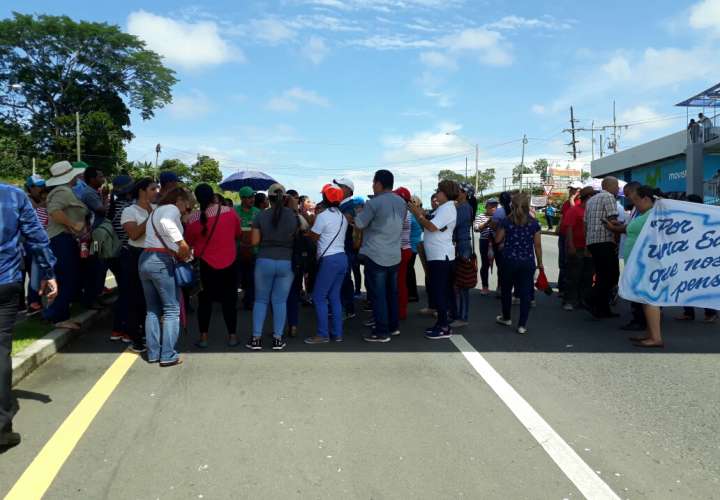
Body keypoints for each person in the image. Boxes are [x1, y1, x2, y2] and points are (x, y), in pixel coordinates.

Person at [0, 183, 58, 449]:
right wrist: (48, 272)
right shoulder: (13, 195)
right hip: (6, 281)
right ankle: (2, 428)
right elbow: (36, 236)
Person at [140, 187, 193, 367]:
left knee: (152, 309)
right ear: (179, 200)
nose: (187, 211)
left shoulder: (156, 211)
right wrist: (182, 243)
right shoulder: (170, 209)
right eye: (188, 206)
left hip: (145, 259)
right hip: (160, 261)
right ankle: (168, 354)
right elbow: (167, 223)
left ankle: (154, 353)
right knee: (171, 310)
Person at [352, 170, 406, 342]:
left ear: (379, 183)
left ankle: (381, 332)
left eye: (373, 182)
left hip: (376, 254)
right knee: (392, 293)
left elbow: (360, 223)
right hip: (394, 253)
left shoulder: (373, 203)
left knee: (378, 295)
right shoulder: (401, 202)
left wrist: (357, 213)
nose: (372, 186)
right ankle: (393, 326)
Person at [186, 184, 243, 348]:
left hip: (205, 265)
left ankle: (203, 338)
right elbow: (237, 234)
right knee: (229, 301)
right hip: (230, 263)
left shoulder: (194, 218)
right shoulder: (230, 212)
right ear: (213, 196)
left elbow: (188, 241)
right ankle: (232, 336)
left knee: (204, 302)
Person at [607, 186, 662, 347]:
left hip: (645, 263)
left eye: (636, 201)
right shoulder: (646, 214)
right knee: (645, 300)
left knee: (648, 300)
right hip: (639, 262)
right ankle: (651, 333)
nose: (634, 204)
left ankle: (656, 337)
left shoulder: (653, 215)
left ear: (645, 199)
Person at [246, 184, 298, 351]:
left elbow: (254, 242)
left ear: (269, 198)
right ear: (285, 198)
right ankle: (277, 339)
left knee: (261, 300)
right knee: (280, 301)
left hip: (264, 260)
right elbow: (303, 230)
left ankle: (256, 339)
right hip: (286, 261)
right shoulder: (293, 216)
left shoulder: (261, 215)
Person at [408, 180, 458, 339]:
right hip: (438, 255)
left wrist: (418, 214)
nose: (436, 194)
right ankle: (441, 324)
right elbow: (432, 221)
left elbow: (431, 226)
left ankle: (444, 326)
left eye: (438, 191)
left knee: (440, 292)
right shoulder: (444, 208)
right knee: (440, 291)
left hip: (440, 256)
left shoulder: (448, 209)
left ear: (445, 193)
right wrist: (421, 213)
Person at [43, 161, 89, 329]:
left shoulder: (62, 191)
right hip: (60, 239)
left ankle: (57, 314)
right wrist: (73, 225)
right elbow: (55, 211)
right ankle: (58, 316)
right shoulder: (63, 191)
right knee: (67, 277)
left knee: (65, 277)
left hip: (62, 239)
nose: (78, 177)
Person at [304, 184, 349, 344]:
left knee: (318, 297)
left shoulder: (323, 216)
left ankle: (322, 334)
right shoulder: (342, 217)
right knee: (334, 296)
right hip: (342, 258)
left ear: (325, 198)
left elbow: (313, 238)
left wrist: (307, 231)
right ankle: (337, 334)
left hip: (329, 260)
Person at [494, 192, 543, 335]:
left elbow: (497, 240)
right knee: (526, 292)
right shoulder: (534, 223)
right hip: (527, 261)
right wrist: (540, 263)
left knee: (506, 289)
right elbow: (538, 246)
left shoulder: (507, 221)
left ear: (512, 206)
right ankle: (522, 325)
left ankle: (507, 318)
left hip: (508, 260)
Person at [120, 178, 159, 353]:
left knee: (150, 298)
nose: (157, 192)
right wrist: (151, 217)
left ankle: (147, 333)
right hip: (135, 256)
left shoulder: (158, 209)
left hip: (155, 255)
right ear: (142, 191)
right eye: (153, 189)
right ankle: (135, 338)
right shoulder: (129, 211)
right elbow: (134, 234)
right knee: (135, 298)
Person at [674, 194, 718, 323]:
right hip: (686, 257)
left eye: (687, 203)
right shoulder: (684, 218)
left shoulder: (708, 216)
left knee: (703, 284)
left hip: (703, 258)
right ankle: (688, 312)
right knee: (685, 284)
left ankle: (710, 313)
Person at [584, 176, 620, 319]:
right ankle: (591, 298)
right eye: (616, 186)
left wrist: (588, 244)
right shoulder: (609, 197)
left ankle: (602, 309)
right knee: (611, 276)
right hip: (605, 240)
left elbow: (585, 223)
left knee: (601, 275)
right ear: (610, 186)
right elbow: (613, 220)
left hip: (592, 242)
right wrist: (617, 239)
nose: (618, 189)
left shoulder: (591, 200)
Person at [107, 174, 135, 343]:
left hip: (115, 255)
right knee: (128, 294)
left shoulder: (114, 206)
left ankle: (118, 329)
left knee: (124, 292)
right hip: (126, 253)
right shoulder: (128, 208)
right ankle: (124, 330)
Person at [563, 187, 595, 311]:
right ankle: (569, 300)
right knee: (573, 275)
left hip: (589, 247)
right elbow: (569, 228)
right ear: (587, 198)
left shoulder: (591, 211)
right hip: (577, 248)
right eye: (592, 197)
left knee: (587, 275)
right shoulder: (574, 211)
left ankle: (583, 300)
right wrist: (571, 246)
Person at [22, 175, 49, 314]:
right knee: (35, 272)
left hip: (35, 242)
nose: (41, 189)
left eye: (42, 186)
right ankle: (33, 303)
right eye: (38, 186)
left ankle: (35, 301)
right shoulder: (26, 200)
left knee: (36, 272)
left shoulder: (39, 202)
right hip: (29, 242)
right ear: (30, 187)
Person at [452, 183, 475, 328]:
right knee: (459, 284)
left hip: (462, 246)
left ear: (465, 193)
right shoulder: (461, 206)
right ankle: (459, 315)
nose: (456, 192)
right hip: (461, 244)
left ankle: (463, 317)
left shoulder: (464, 208)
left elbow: (452, 224)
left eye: (458, 191)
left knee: (462, 284)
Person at [334, 178, 358, 320]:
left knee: (344, 278)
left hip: (346, 246)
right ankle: (345, 307)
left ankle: (347, 308)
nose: (337, 189)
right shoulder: (342, 205)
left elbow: (345, 220)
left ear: (348, 190)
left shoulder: (350, 205)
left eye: (340, 186)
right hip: (343, 246)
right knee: (343, 277)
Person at [234, 187, 260, 310]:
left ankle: (249, 301)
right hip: (237, 250)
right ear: (242, 198)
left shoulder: (258, 212)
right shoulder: (234, 211)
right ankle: (232, 301)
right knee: (236, 277)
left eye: (252, 197)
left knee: (251, 278)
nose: (252, 199)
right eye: (249, 197)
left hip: (254, 251)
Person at [557, 181, 583, 295]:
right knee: (562, 260)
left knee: (569, 261)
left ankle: (566, 288)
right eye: (570, 189)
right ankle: (561, 285)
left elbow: (576, 213)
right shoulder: (567, 203)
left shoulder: (580, 203)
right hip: (563, 234)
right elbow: (563, 216)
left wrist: (572, 201)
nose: (571, 191)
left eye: (574, 189)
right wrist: (558, 226)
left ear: (579, 191)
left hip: (571, 235)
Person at [393, 187, 413, 321]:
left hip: (401, 250)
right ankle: (401, 311)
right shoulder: (406, 211)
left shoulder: (402, 212)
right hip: (405, 249)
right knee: (400, 282)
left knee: (398, 283)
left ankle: (400, 311)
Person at [418, 193, 439, 316]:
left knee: (439, 280)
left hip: (439, 251)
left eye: (437, 200)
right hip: (426, 245)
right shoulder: (431, 213)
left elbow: (432, 227)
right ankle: (432, 306)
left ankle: (439, 308)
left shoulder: (443, 213)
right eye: (433, 200)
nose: (435, 202)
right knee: (429, 276)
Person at [474, 198, 498, 295]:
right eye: (491, 206)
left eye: (495, 206)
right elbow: (476, 228)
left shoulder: (499, 216)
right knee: (485, 265)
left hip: (497, 242)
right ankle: (485, 286)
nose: (493, 208)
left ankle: (500, 287)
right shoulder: (480, 216)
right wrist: (487, 222)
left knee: (500, 265)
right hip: (484, 242)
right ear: (486, 206)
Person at [407, 195, 423, 302]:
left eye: (413, 201)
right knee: (409, 269)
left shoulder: (413, 215)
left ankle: (412, 294)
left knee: (409, 270)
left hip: (412, 245)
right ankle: (412, 293)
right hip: (415, 244)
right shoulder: (416, 214)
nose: (410, 203)